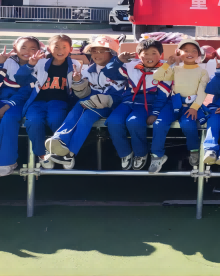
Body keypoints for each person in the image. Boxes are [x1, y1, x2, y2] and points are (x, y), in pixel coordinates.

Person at [45, 36, 127, 169]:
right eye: (94, 51)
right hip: (90, 103)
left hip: (110, 106)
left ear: (112, 53)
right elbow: (83, 94)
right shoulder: (88, 70)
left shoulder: (120, 70)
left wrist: (99, 100)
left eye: (102, 51)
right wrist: (78, 82)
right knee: (77, 107)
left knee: (86, 117)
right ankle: (59, 139)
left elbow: (117, 97)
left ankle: (69, 153)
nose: (97, 54)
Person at [103, 39, 171, 170]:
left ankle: (141, 153)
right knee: (113, 122)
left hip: (148, 104)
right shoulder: (131, 66)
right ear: (139, 55)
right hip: (127, 101)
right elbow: (109, 73)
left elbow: (163, 95)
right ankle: (125, 153)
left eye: (154, 53)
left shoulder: (165, 69)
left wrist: (155, 112)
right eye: (145, 53)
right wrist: (118, 60)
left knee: (134, 122)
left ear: (161, 55)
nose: (149, 57)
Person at [16, 34, 82, 169]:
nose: (60, 50)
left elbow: (79, 87)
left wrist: (78, 80)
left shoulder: (75, 64)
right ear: (49, 48)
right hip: (37, 101)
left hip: (59, 101)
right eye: (56, 46)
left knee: (56, 119)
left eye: (64, 47)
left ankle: (63, 154)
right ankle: (42, 155)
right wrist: (30, 65)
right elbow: (20, 79)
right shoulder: (40, 62)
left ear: (70, 49)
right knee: (33, 122)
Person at [150, 40, 210, 173]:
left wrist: (195, 107)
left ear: (199, 54)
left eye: (193, 51)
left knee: (188, 124)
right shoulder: (175, 69)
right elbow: (157, 76)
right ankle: (157, 156)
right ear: (179, 52)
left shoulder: (202, 72)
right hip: (173, 104)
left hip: (191, 105)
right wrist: (168, 63)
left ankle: (194, 150)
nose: (189, 53)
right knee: (159, 123)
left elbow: (202, 91)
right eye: (185, 50)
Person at [0, 37, 41, 176]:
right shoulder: (7, 61)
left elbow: (24, 93)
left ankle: (7, 161)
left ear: (38, 51)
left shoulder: (39, 65)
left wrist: (5, 107)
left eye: (32, 49)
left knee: (9, 118)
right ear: (15, 48)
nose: (27, 51)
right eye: (23, 47)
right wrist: (0, 63)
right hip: (2, 100)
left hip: (21, 103)